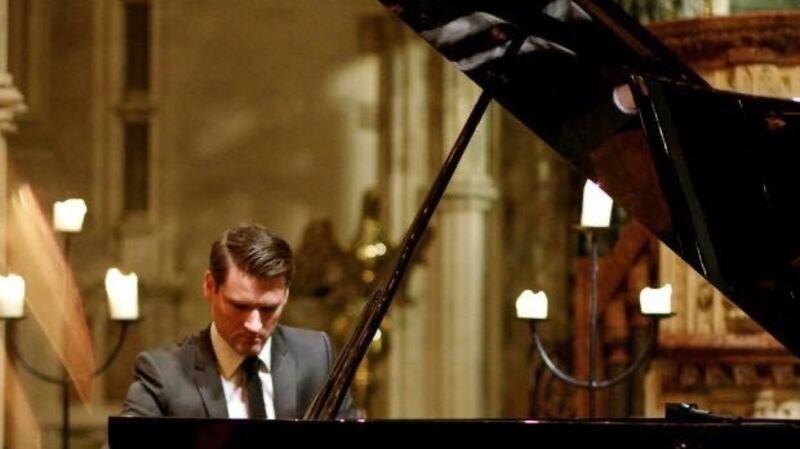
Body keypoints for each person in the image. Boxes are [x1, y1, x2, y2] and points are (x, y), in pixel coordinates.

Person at [120, 224, 355, 419]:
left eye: (268, 308)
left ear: (285, 295)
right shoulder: (163, 374)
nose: (254, 324)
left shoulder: (315, 356)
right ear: (210, 286)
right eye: (240, 306)